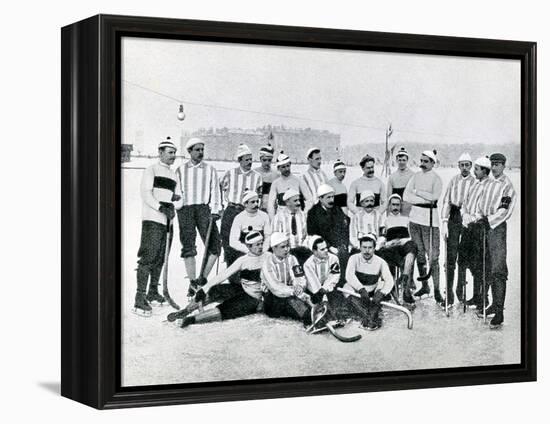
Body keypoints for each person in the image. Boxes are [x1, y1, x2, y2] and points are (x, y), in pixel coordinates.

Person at [134, 138, 184, 316]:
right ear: (160, 152)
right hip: (152, 220)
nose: (173, 156)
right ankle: (139, 298)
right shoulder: (151, 170)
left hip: (167, 222)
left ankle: (153, 292)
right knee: (148, 256)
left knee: (161, 258)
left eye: (174, 153)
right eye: (170, 153)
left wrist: (173, 205)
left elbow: (179, 197)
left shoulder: (174, 174)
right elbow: (145, 193)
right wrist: (161, 206)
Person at [179, 231, 266, 328]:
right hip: (242, 290)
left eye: (262, 243)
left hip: (254, 297)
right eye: (257, 244)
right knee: (215, 290)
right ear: (249, 246)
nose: (261, 246)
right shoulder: (243, 260)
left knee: (228, 308)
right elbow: (224, 275)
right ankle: (187, 310)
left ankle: (193, 319)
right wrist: (204, 288)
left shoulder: (268, 257)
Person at [475, 153, 517, 328]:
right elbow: (480, 203)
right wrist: (479, 217)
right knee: (487, 265)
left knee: (498, 268)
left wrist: (489, 220)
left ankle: (499, 310)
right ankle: (492, 303)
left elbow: (505, 210)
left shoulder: (507, 186)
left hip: (496, 228)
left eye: (498, 165)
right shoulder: (489, 183)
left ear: (504, 166)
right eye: (492, 164)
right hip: (483, 226)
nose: (494, 168)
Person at [176, 137, 222, 293]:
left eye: (202, 149)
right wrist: (177, 205)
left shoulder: (210, 169)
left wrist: (216, 210)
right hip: (186, 210)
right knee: (188, 246)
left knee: (215, 246)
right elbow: (176, 193)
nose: (201, 153)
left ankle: (202, 279)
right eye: (197, 150)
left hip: (203, 209)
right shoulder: (181, 170)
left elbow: (215, 190)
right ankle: (192, 282)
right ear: (189, 151)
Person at [403, 150, 443, 303]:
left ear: (433, 163)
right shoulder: (415, 176)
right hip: (415, 220)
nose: (423, 163)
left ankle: (438, 290)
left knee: (433, 257)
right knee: (419, 254)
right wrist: (422, 199)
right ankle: (425, 286)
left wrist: (418, 193)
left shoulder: (436, 179)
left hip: (430, 222)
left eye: (426, 161)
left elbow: (434, 198)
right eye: (421, 160)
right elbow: (406, 196)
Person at [440, 153, 475, 307]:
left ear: (471, 166)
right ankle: (449, 292)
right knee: (451, 256)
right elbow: (447, 200)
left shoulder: (475, 182)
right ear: (458, 166)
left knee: (464, 255)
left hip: (468, 217)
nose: (465, 168)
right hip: (454, 216)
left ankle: (460, 288)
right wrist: (444, 220)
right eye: (462, 165)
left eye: (468, 165)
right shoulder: (454, 180)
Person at [220, 144, 263, 266]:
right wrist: (220, 206)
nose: (250, 162)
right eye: (247, 159)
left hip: (247, 212)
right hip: (232, 210)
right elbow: (219, 187)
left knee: (244, 241)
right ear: (240, 160)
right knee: (227, 240)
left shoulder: (257, 177)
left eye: (251, 159)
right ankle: (230, 270)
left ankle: (244, 271)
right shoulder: (230, 174)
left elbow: (259, 196)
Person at [459, 156, 492, 311]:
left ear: (484, 171)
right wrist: (465, 215)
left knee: (482, 264)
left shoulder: (490, 186)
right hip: (468, 228)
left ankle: (483, 298)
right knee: (471, 263)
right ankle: (476, 295)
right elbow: (466, 203)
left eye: (477, 169)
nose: (474, 171)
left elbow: (486, 208)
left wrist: (476, 217)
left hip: (480, 229)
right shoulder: (475, 185)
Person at [343, 233, 394, 330]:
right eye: (364, 247)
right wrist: (360, 289)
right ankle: (368, 316)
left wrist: (382, 293)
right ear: (360, 248)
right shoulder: (353, 258)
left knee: (382, 283)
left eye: (370, 247)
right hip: (358, 292)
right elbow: (349, 276)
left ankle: (371, 312)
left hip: (372, 291)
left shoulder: (381, 262)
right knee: (346, 287)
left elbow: (389, 280)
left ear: (374, 248)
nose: (367, 251)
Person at [261, 232, 312, 325]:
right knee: (292, 301)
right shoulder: (267, 264)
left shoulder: (292, 259)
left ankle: (315, 314)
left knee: (300, 299)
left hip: (290, 292)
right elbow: (275, 287)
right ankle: (308, 317)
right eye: (282, 247)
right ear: (273, 248)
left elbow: (299, 276)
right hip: (273, 298)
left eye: (287, 246)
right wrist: (294, 291)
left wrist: (300, 287)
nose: (287, 249)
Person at [377, 194, 417, 305]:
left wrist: (402, 241)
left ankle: (404, 282)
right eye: (393, 205)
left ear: (400, 206)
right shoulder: (385, 220)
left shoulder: (406, 219)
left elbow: (410, 237)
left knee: (412, 248)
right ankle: (393, 289)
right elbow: (381, 238)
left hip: (404, 246)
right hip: (391, 248)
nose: (395, 207)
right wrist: (389, 243)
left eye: (398, 205)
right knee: (383, 253)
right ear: (389, 206)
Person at [307, 184, 350, 283]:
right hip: (323, 246)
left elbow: (344, 227)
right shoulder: (313, 213)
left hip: (338, 245)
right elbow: (313, 234)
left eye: (332, 197)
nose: (331, 200)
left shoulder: (337, 209)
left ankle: (343, 284)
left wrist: (344, 244)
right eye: (328, 197)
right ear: (320, 198)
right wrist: (329, 247)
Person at [303, 235, 347, 317]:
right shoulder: (308, 264)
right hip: (315, 291)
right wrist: (322, 294)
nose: (326, 250)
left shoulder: (334, 258)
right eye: (322, 249)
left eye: (326, 248)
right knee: (315, 308)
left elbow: (334, 275)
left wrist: (325, 288)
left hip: (328, 288)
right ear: (314, 251)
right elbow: (313, 282)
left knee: (337, 306)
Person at [229, 190, 271, 266]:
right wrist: (248, 251)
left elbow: (268, 236)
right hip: (245, 251)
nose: (256, 204)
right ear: (245, 204)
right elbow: (233, 241)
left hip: (261, 250)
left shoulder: (264, 216)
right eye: (253, 202)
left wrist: (262, 250)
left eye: (257, 201)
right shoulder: (239, 218)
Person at [271, 188, 311, 264]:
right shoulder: (279, 217)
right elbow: (276, 238)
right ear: (287, 202)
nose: (299, 203)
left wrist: (304, 246)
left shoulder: (303, 215)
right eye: (295, 201)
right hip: (286, 252)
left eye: (299, 200)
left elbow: (307, 234)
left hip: (302, 250)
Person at [267, 152, 309, 220]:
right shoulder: (275, 183)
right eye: (283, 167)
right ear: (278, 168)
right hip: (281, 217)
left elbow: (309, 199)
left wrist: (304, 214)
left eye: (288, 166)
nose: (286, 169)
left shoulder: (298, 180)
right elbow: (270, 204)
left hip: (297, 216)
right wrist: (273, 220)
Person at [387, 147, 414, 216]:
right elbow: (389, 198)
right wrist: (388, 215)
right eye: (400, 160)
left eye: (404, 160)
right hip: (396, 211)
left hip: (409, 210)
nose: (401, 162)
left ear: (407, 160)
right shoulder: (392, 177)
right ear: (396, 160)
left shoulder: (412, 175)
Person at [300, 147, 329, 212]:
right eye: (317, 159)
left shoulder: (323, 174)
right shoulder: (304, 176)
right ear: (309, 159)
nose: (319, 161)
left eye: (320, 158)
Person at [253, 144, 278, 212]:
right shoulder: (254, 173)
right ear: (260, 159)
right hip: (256, 206)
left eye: (269, 160)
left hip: (271, 207)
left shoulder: (276, 174)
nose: (267, 162)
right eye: (264, 160)